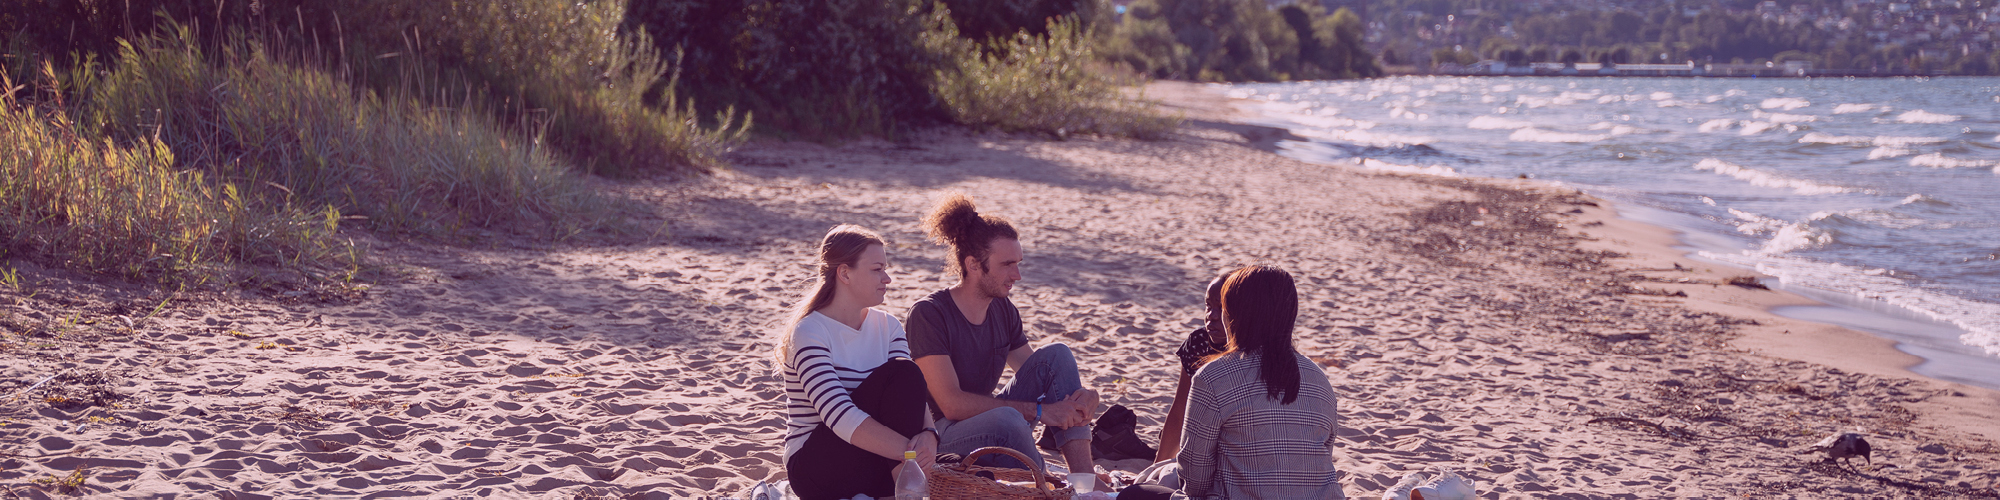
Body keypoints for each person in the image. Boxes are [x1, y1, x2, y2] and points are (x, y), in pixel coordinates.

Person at [906, 193, 1102, 478]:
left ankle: (1085, 480)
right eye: (1007, 264)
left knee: (1057, 355)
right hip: (939, 436)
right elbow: (951, 405)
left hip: (989, 423)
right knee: (1007, 419)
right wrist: (1040, 412)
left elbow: (1043, 374)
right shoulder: (929, 313)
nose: (1017, 275)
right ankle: (1047, 486)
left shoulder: (1003, 309)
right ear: (973, 265)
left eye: (1018, 263)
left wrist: (1087, 396)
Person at [1125, 265, 1344, 500]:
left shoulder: (1214, 376)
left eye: (1225, 307)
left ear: (1237, 314)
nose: (1216, 316)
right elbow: (1322, 455)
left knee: (1133, 494)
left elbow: (1194, 477)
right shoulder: (1319, 379)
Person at [779, 225, 939, 500]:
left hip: (878, 454)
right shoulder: (810, 331)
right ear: (844, 273)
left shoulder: (888, 325)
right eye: (877, 269)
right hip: (816, 467)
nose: (887, 278)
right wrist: (913, 454)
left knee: (907, 374)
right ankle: (909, 490)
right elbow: (838, 414)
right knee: (903, 371)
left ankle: (905, 489)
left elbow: (911, 396)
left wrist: (930, 434)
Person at [1154, 272, 1231, 463]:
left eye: (1222, 308)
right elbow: (1180, 408)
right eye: (1208, 306)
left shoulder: (1258, 351)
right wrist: (1155, 467)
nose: (1212, 316)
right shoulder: (1199, 342)